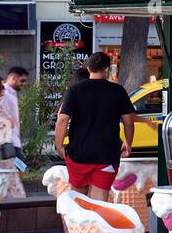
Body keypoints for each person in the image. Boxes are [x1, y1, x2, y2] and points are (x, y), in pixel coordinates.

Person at [54, 51, 135, 201]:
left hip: (79, 154)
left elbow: (62, 119)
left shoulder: (75, 90)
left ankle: (79, 225)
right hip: (107, 155)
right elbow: (129, 122)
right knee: (99, 203)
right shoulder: (117, 90)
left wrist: (59, 145)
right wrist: (128, 143)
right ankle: (97, 225)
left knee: (78, 201)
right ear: (106, 69)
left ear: (89, 68)